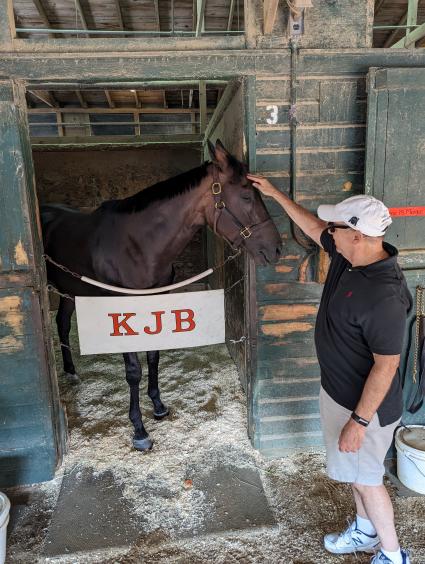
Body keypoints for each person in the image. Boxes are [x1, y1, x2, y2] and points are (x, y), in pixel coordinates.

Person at [247, 173, 412, 564]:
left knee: (369, 481)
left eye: (337, 228)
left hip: (364, 409)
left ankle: (392, 554)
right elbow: (315, 227)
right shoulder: (350, 255)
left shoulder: (383, 296)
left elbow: (386, 368)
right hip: (340, 395)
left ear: (357, 235)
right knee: (355, 474)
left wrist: (358, 421)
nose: (328, 234)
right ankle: (365, 531)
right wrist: (275, 195)